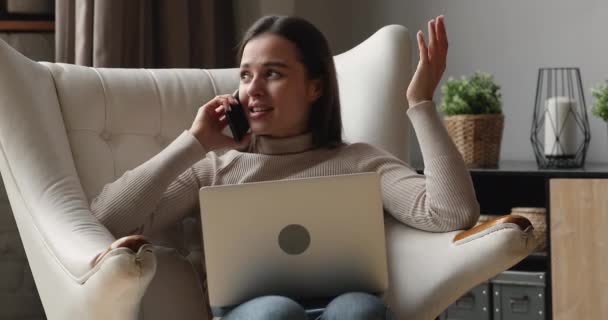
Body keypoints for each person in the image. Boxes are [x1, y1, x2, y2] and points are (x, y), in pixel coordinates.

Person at [90, 15, 479, 320]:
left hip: (347, 308)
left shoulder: (360, 161)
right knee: (277, 313)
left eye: (272, 73)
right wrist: (193, 143)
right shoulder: (213, 169)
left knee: (359, 310)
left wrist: (420, 102)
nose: (252, 89)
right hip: (252, 315)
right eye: (245, 75)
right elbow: (106, 220)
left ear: (315, 87)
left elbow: (451, 212)